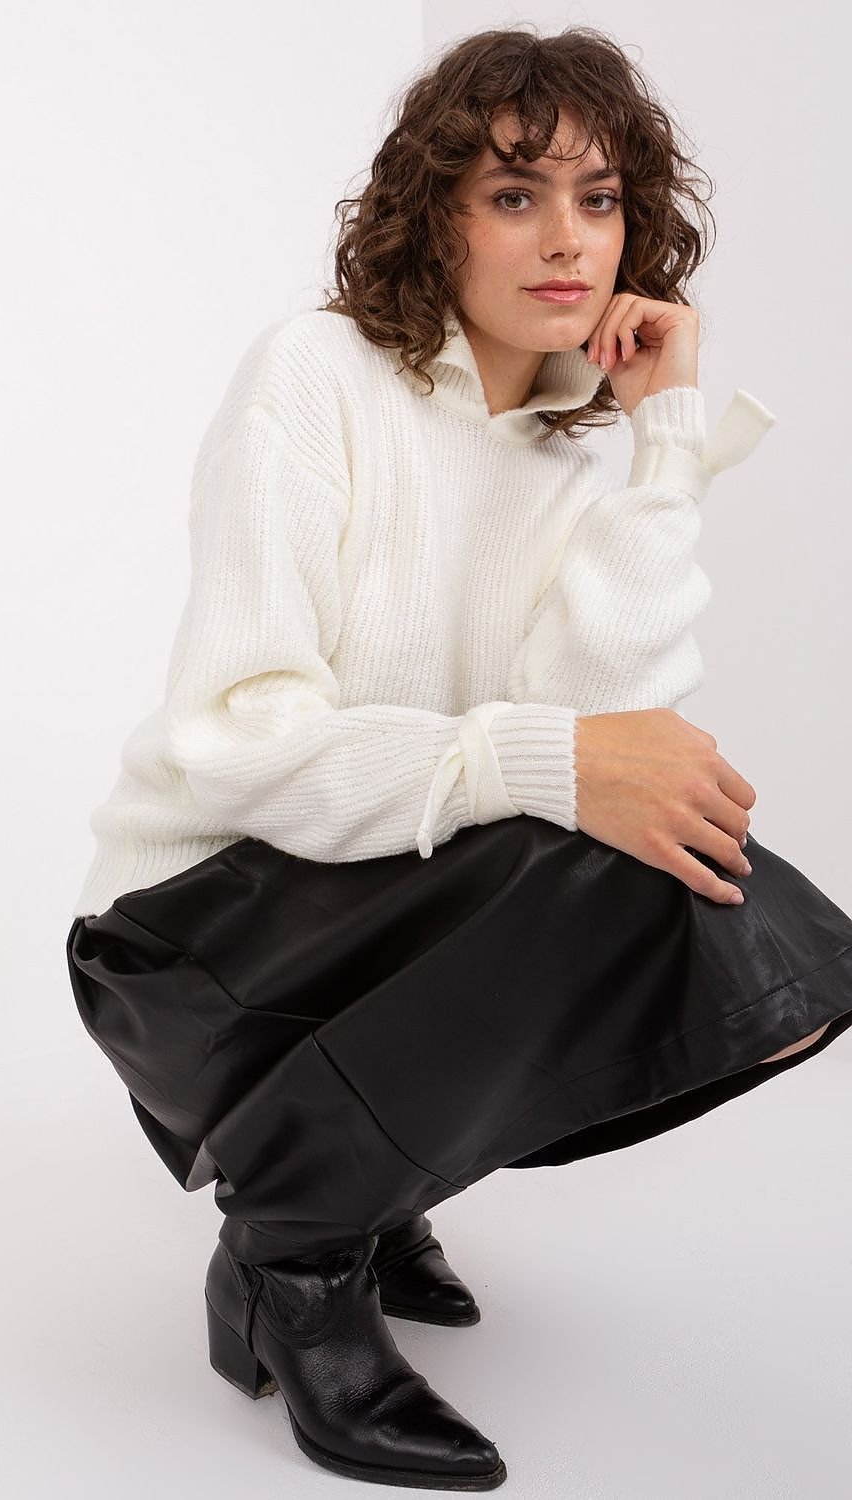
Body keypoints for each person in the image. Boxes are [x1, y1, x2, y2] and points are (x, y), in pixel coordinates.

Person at [64, 24, 852, 1492]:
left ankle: (374, 1180)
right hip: (190, 943)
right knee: (620, 864)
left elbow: (596, 731)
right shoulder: (315, 377)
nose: (568, 239)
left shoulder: (562, 463)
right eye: (514, 195)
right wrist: (553, 766)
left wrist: (660, 439)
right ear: (434, 213)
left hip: (366, 925)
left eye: (602, 199)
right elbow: (242, 742)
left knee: (671, 873)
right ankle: (297, 1250)